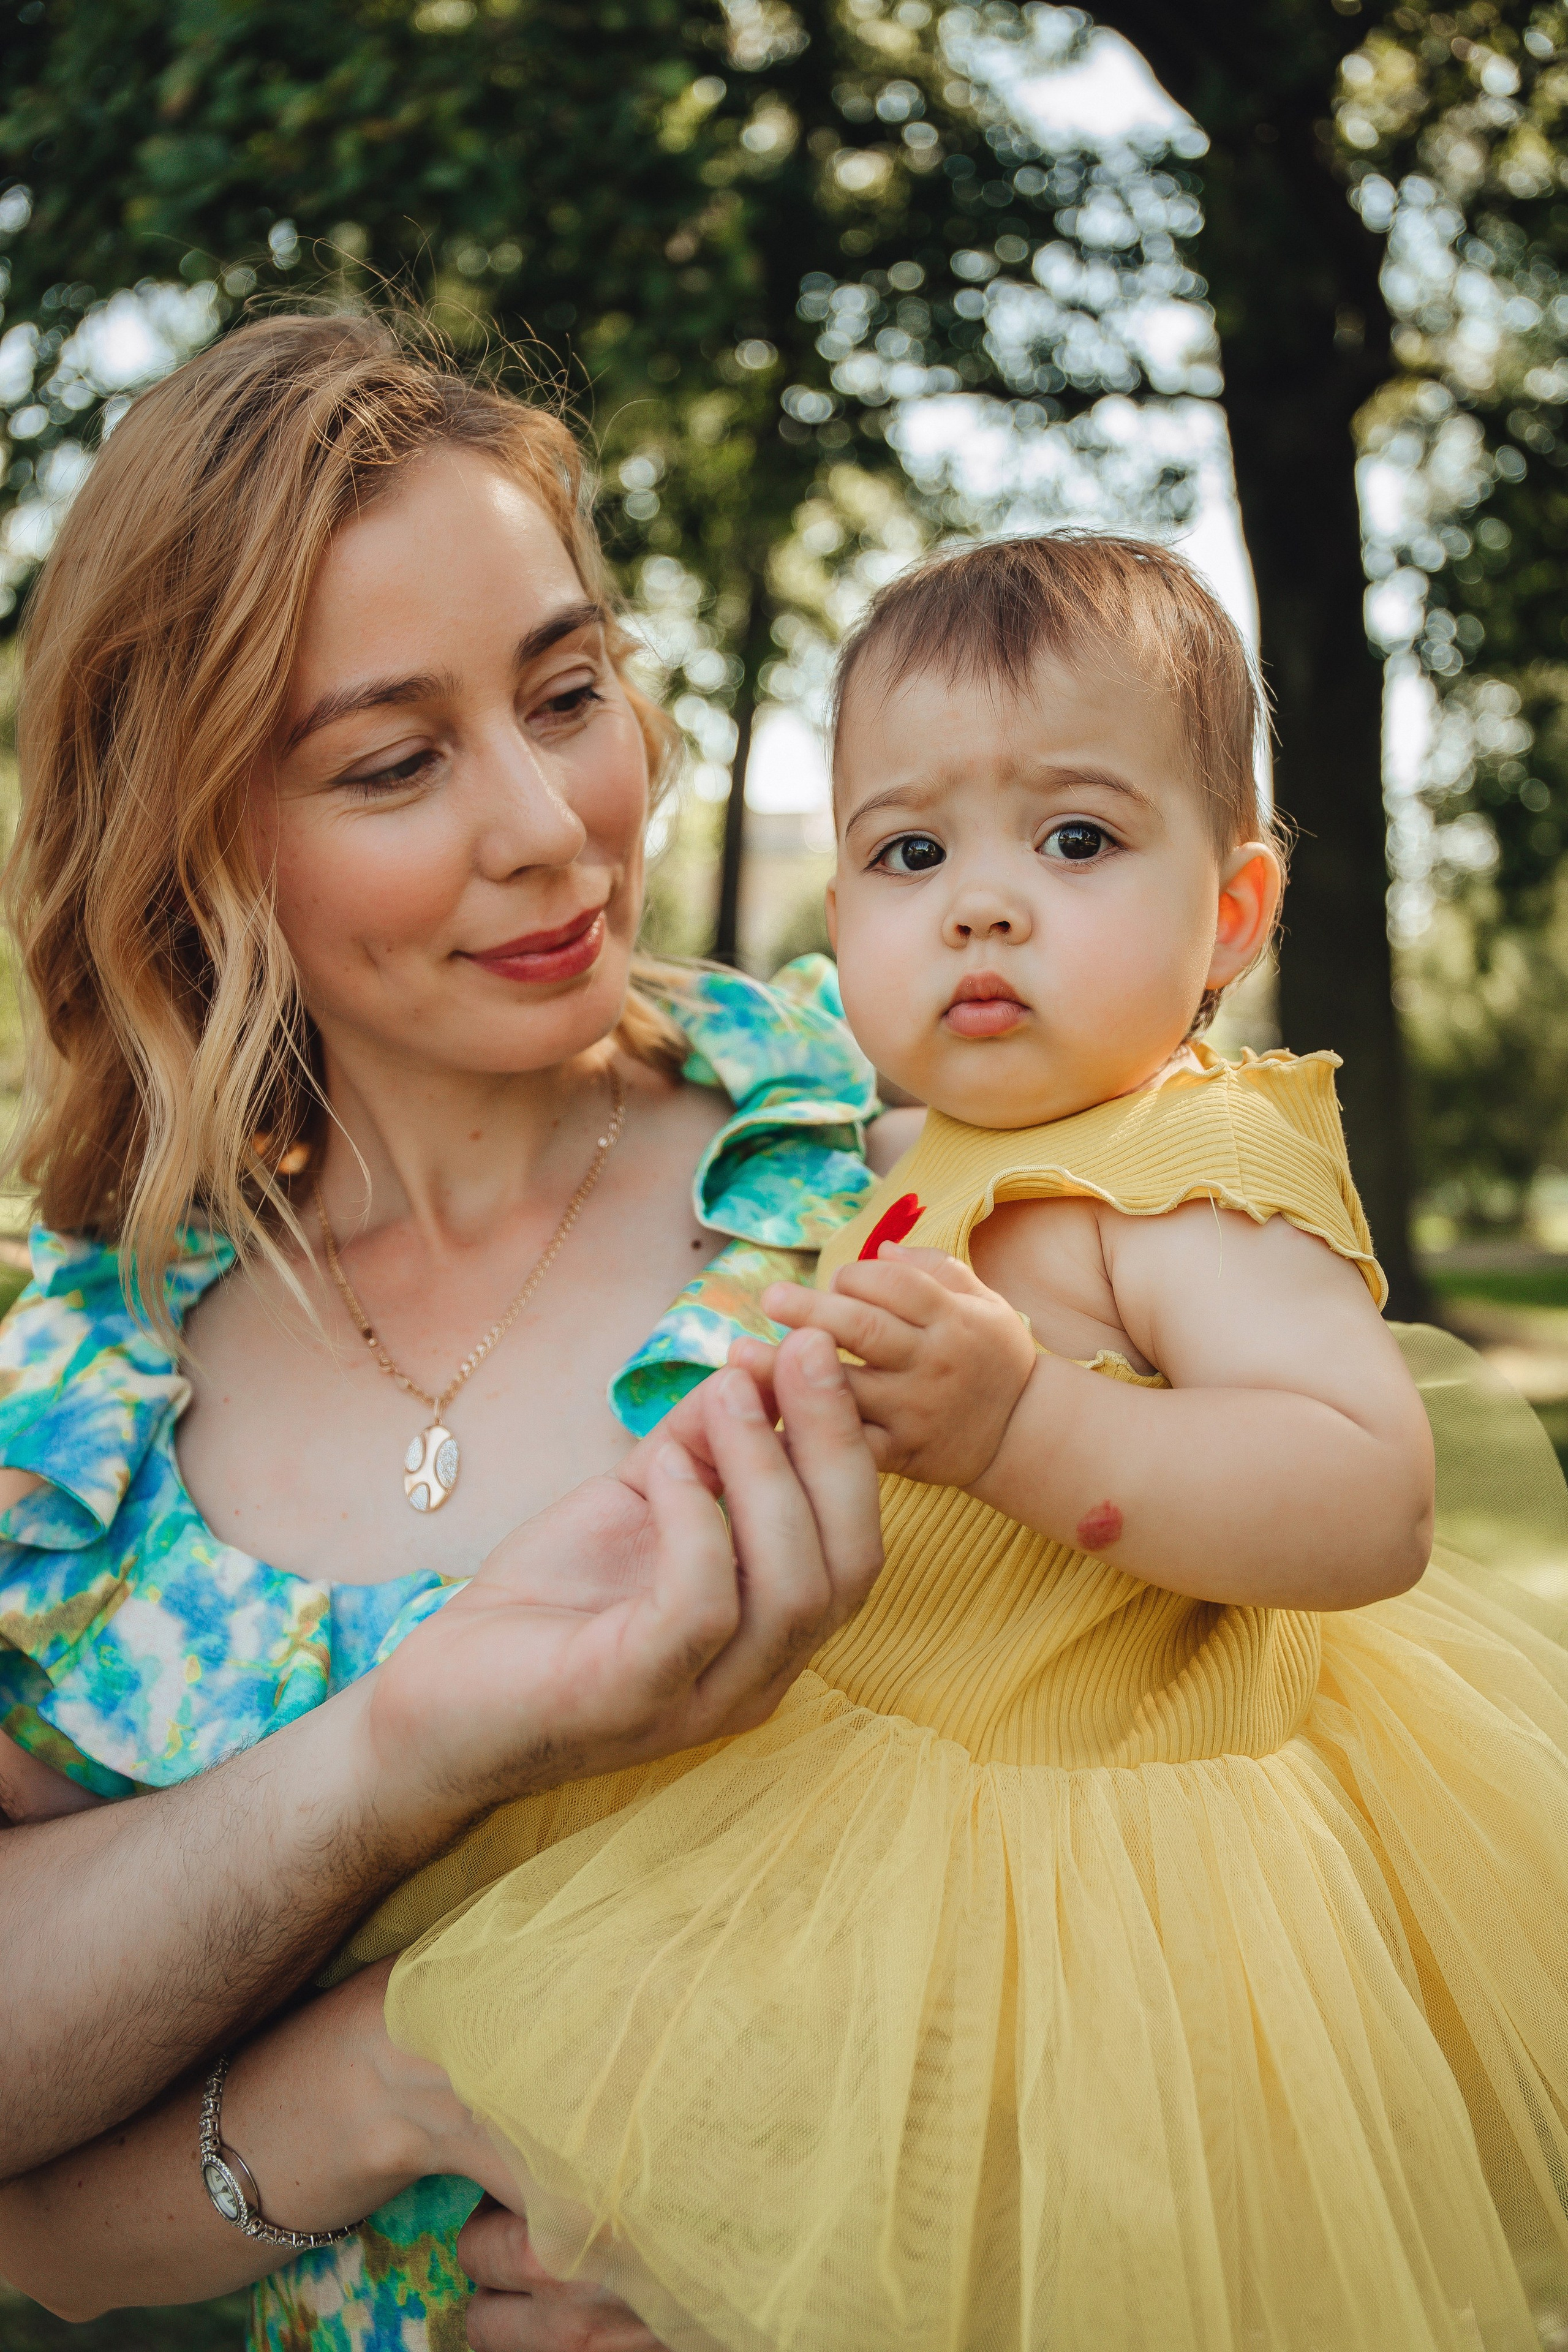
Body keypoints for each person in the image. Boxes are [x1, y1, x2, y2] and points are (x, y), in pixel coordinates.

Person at [354, 537, 1567, 2351]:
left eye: (1075, 843)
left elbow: (1366, 1494)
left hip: (1106, 1888)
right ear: (841, 909)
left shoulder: (1189, 1173)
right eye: (911, 853)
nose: (983, 906)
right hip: (853, 1809)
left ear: (1232, 913)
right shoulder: (898, 1167)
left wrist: (1024, 1420)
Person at [0, 307, 897, 2351]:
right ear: (205, 835)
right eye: (395, 761)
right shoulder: (76, 1403)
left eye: (568, 690)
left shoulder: (894, 1208)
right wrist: (379, 2070)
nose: (547, 824)